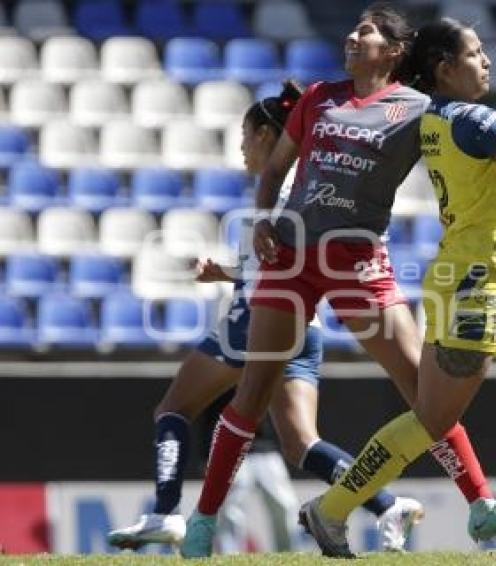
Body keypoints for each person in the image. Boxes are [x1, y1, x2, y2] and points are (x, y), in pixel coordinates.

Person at [180, 3, 496, 557]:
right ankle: (203, 525)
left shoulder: (422, 111)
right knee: (251, 395)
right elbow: (273, 170)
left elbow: (478, 184)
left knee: (423, 390)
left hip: (358, 260)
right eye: (354, 29)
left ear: (396, 50)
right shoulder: (317, 97)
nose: (354, 38)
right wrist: (264, 217)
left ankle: (479, 506)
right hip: (292, 259)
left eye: (367, 31)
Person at [298, 21, 496, 557]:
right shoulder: (473, 118)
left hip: (478, 284)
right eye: (476, 53)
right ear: (445, 68)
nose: (487, 61)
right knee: (432, 420)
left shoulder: (439, 117)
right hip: (475, 287)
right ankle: (329, 510)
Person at [107, 80, 421, 554]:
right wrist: (228, 272)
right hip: (303, 327)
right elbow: (285, 262)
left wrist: (239, 280)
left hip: (257, 320)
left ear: (264, 135)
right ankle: (384, 504)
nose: (241, 150)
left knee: (173, 409)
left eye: (244, 138)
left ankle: (165, 513)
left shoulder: (278, 188)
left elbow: (280, 267)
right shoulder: (315, 178)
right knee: (301, 444)